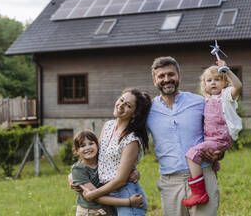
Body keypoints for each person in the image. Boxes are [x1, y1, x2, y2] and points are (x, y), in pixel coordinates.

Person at [147, 56, 225, 216]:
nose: (166, 79)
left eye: (171, 74)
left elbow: (217, 129)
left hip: (203, 174)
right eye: (161, 76)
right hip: (170, 182)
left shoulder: (199, 102)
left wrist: (221, 152)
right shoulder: (148, 110)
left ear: (179, 77)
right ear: (155, 80)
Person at [81, 88, 152, 216]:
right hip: (108, 194)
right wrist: (75, 175)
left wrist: (93, 194)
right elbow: (95, 157)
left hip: (127, 196)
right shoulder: (108, 125)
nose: (121, 105)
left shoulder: (131, 139)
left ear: (134, 114)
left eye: (128, 105)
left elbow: (120, 180)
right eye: (121, 100)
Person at [182, 60, 242, 207]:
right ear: (204, 84)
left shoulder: (227, 96)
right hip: (211, 139)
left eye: (217, 79)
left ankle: (198, 193)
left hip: (221, 138)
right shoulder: (206, 100)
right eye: (209, 80)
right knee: (210, 163)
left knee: (192, 154)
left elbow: (238, 86)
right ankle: (213, 186)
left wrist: (226, 70)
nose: (213, 83)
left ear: (225, 82)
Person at [71, 130, 145, 216]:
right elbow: (95, 196)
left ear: (97, 145)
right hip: (90, 212)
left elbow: (121, 170)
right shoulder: (78, 169)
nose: (88, 148)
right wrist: (129, 202)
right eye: (82, 146)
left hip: (109, 209)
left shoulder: (103, 160)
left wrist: (135, 172)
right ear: (77, 151)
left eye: (91, 143)